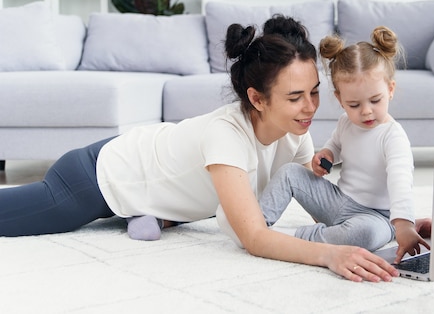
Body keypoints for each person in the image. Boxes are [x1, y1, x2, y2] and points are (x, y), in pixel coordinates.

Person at [0, 15, 398, 283]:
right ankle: (149, 211)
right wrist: (330, 255)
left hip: (143, 175)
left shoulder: (296, 132)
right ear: (258, 99)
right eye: (295, 97)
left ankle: (154, 214)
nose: (310, 107)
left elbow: (326, 195)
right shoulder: (226, 135)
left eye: (314, 92)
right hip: (94, 177)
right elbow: (254, 237)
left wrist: (397, 217)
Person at [257, 26, 432, 264]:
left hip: (375, 216)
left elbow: (400, 183)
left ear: (390, 90)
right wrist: (326, 154)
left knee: (365, 235)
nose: (366, 111)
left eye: (375, 100)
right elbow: (335, 147)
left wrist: (403, 225)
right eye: (354, 105)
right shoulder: (345, 123)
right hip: (338, 200)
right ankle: (258, 225)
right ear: (340, 100)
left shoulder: (393, 137)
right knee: (289, 173)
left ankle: (295, 237)